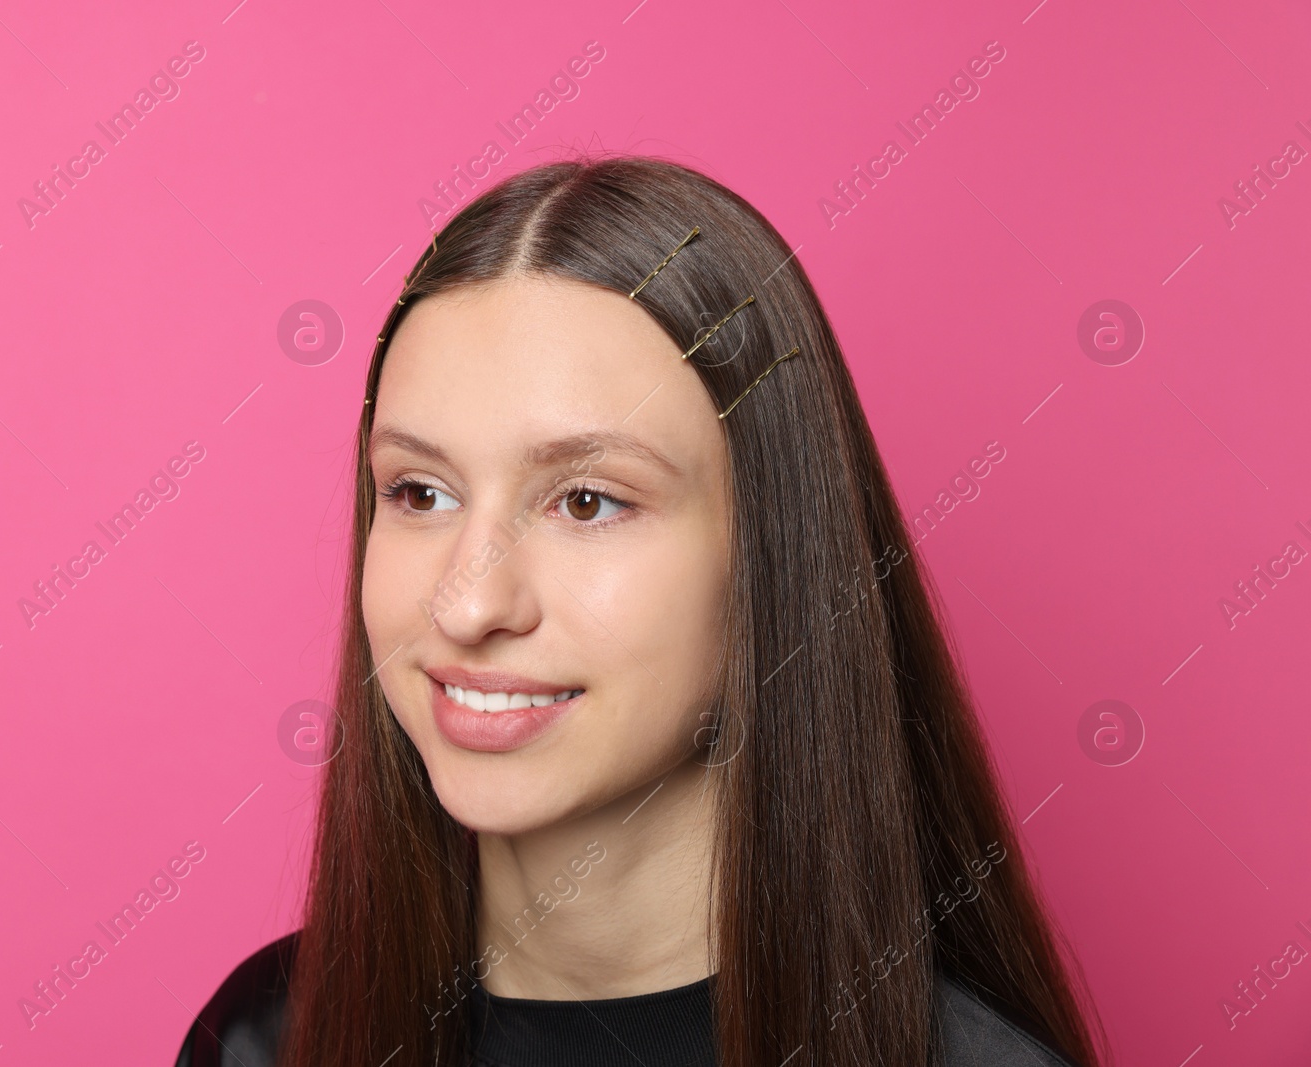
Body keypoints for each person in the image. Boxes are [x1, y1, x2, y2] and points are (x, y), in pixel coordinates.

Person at [174, 154, 1106, 1067]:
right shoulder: (263, 1038)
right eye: (421, 493)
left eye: (585, 501)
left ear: (772, 556)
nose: (467, 602)